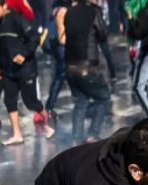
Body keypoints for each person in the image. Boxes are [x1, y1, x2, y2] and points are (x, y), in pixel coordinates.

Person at [0, 0, 54, 144]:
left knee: (30, 102)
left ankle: (48, 124)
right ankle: (17, 134)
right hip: (7, 70)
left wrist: (23, 54)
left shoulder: (18, 18)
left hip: (25, 69)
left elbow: (34, 37)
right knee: (9, 101)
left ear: (4, 6)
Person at [64, 0, 110, 144]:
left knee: (81, 101)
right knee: (103, 97)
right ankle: (92, 134)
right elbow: (103, 34)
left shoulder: (69, 12)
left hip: (70, 65)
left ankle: (76, 139)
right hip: (86, 65)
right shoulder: (94, 12)